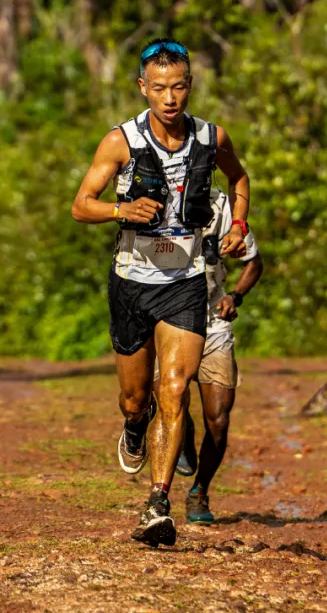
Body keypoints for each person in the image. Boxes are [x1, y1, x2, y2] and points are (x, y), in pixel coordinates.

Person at [71, 38, 251, 547]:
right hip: (132, 283)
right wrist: (119, 211)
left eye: (178, 87)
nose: (169, 98)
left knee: (174, 389)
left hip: (186, 283)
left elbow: (240, 179)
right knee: (137, 399)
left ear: (189, 86)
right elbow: (81, 204)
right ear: (142, 88)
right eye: (159, 88)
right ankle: (133, 426)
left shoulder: (212, 138)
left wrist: (238, 222)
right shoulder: (119, 142)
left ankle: (157, 502)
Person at [154, 189, 262, 525]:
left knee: (218, 419)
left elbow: (254, 263)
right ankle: (179, 441)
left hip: (214, 324)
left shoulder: (223, 208)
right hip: (171, 322)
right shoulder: (154, 203)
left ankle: (200, 489)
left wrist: (235, 296)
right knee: (171, 403)